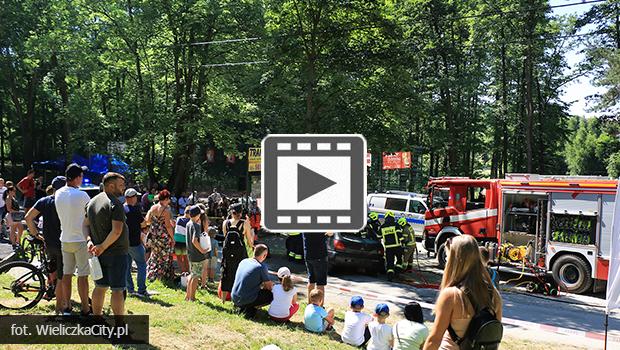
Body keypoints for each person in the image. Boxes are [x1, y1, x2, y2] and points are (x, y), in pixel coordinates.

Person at [423, 235, 503, 350]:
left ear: (455, 260)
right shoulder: (493, 294)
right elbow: (494, 337)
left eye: (448, 257)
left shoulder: (452, 295)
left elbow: (434, 340)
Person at [85, 172, 129, 316]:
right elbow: (117, 231)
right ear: (111, 186)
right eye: (121, 185)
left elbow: (84, 225)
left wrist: (89, 241)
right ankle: (119, 324)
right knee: (117, 290)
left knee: (100, 287)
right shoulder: (115, 204)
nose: (123, 189)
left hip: (98, 253)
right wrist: (102, 246)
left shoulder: (91, 202)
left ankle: (97, 320)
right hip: (116, 253)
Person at [24, 176, 67, 314]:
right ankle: (60, 307)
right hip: (62, 243)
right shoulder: (65, 202)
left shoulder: (44, 201)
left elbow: (28, 217)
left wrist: (36, 234)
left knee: (52, 268)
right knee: (62, 276)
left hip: (48, 243)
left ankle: (51, 291)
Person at [55, 163, 91, 315]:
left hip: (65, 238)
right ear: (77, 178)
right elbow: (90, 215)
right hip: (80, 239)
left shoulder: (58, 193)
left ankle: (67, 306)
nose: (82, 179)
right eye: (81, 176)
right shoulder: (82, 195)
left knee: (66, 274)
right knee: (83, 275)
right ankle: (85, 307)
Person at [220, 203, 253, 302]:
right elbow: (249, 240)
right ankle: (239, 297)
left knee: (226, 272)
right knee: (241, 273)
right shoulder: (244, 223)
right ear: (241, 212)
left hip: (228, 252)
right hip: (240, 253)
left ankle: (223, 299)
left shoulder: (225, 223)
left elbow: (225, 237)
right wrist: (252, 246)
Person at [231, 244, 273, 318]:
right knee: (273, 294)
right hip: (245, 299)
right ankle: (249, 307)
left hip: (234, 297)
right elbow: (269, 287)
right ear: (264, 255)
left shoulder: (243, 261)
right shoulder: (261, 267)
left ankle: (244, 306)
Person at [145, 189, 175, 282]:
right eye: (168, 199)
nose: (169, 201)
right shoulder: (166, 210)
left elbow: (147, 220)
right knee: (164, 256)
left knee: (154, 254)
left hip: (154, 234)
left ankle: (151, 274)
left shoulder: (153, 207)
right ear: (165, 199)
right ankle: (161, 276)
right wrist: (173, 238)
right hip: (163, 236)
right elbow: (168, 226)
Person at [124, 188, 149, 297]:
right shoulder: (135, 210)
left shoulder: (121, 209)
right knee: (142, 265)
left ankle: (130, 288)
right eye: (136, 197)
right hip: (135, 242)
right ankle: (141, 289)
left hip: (124, 243)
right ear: (132, 198)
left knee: (127, 267)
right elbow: (143, 224)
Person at [302, 231, 333, 304]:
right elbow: (330, 233)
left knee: (311, 280)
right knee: (320, 283)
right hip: (320, 255)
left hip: (308, 254)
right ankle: (320, 306)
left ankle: (310, 304)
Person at [185, 205, 209, 301]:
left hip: (190, 253)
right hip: (196, 255)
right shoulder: (196, 226)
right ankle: (192, 297)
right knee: (195, 276)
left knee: (192, 274)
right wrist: (202, 250)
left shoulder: (188, 224)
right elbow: (194, 240)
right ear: (198, 215)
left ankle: (188, 295)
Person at [380, 211, 404, 281]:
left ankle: (390, 276)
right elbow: (400, 235)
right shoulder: (396, 225)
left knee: (390, 262)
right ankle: (397, 273)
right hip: (397, 246)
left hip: (388, 248)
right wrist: (403, 242)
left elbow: (379, 236)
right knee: (399, 260)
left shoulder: (382, 226)